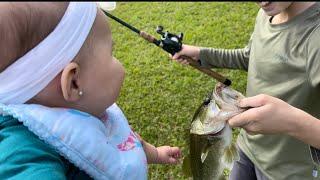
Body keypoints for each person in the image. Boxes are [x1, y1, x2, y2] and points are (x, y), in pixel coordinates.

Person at [0, 2, 181, 180]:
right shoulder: (24, 153)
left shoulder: (84, 111)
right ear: (74, 83)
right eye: (112, 53)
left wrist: (155, 154)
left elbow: (124, 141)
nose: (119, 63)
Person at [171, 2, 320, 180]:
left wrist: (292, 122)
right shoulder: (268, 12)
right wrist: (202, 54)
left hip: (286, 170)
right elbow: (251, 56)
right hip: (247, 149)